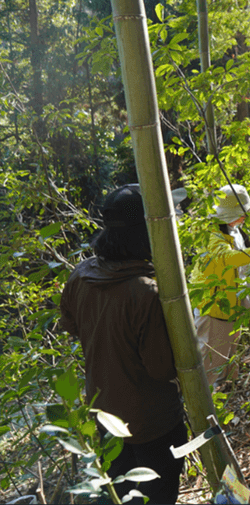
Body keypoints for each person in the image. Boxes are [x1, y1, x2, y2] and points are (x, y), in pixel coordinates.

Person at [60, 184, 187, 504]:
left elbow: (72, 327)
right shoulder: (146, 292)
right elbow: (161, 369)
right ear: (148, 232)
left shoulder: (79, 276)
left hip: (105, 419)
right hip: (153, 424)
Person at [190, 183, 250, 387]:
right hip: (214, 309)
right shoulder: (212, 235)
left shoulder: (235, 231)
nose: (244, 217)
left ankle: (225, 403)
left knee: (229, 362)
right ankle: (203, 411)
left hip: (234, 307)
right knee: (210, 366)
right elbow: (225, 257)